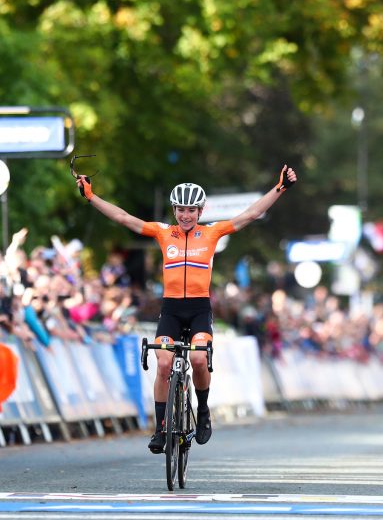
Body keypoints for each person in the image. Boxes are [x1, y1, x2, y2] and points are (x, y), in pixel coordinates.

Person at [76, 164, 297, 453]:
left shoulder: (212, 233)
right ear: (174, 210)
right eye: (180, 209)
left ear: (200, 212)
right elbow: (123, 217)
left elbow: (251, 214)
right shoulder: (163, 233)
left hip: (198, 310)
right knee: (164, 364)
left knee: (199, 361)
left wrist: (279, 187)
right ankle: (160, 429)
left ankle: (202, 411)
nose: (185, 215)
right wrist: (91, 196)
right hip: (170, 310)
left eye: (191, 210)